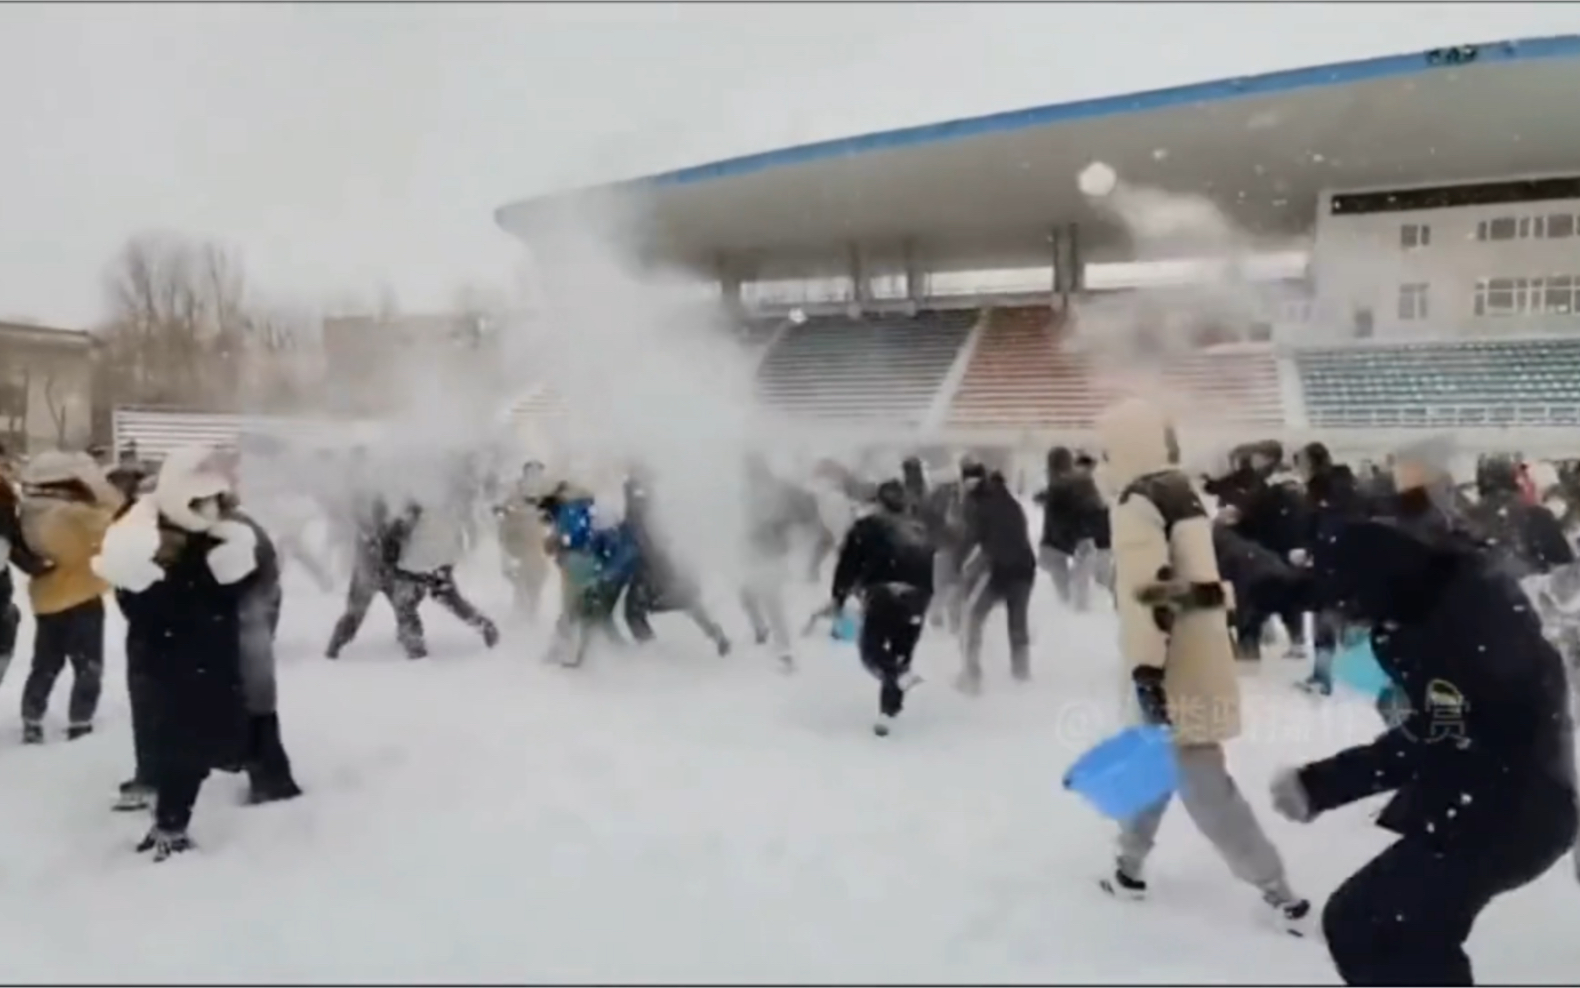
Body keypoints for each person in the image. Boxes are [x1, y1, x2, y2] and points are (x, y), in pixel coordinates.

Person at [1271, 518, 1578, 984]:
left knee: (1369, 924)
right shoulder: (1447, 594)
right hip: (1496, 800)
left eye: (1351, 602)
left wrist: (1319, 784)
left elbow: (1434, 740)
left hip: (1510, 811)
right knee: (1398, 930)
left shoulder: (1458, 629)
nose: (1349, 617)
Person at [1094, 397, 1309, 931]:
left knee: (1204, 785)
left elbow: (1152, 591)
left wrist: (1146, 668)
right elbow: (1200, 583)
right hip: (1197, 649)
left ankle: (1277, 889)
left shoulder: (1136, 502)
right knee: (1157, 764)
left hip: (1171, 665)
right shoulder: (1180, 493)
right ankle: (1128, 865)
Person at [92, 447, 265, 859]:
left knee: (185, 746)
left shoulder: (219, 537)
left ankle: (170, 820)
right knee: (181, 747)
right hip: (173, 658)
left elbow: (236, 591)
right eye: (201, 501)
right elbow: (139, 600)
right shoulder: (150, 539)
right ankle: (170, 826)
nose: (208, 509)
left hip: (197, 658)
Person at [14, 451, 123, 743]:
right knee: (88, 666)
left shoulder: (29, 512)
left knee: (45, 663)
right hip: (81, 595)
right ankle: (80, 722)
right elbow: (118, 519)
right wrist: (101, 489)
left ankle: (32, 719)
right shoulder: (76, 513)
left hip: (46, 598)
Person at [827, 479, 934, 736]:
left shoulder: (866, 528)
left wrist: (839, 597)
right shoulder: (919, 530)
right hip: (917, 598)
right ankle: (889, 711)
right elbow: (930, 563)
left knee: (872, 651)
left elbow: (847, 564)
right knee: (901, 651)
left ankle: (897, 676)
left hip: (883, 594)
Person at [957, 462, 1037, 691]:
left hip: (1000, 571)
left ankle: (971, 677)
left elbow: (973, 539)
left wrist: (960, 567)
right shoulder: (1009, 501)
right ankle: (1021, 675)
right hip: (1024, 569)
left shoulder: (978, 503)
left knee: (972, 618)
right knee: (1017, 624)